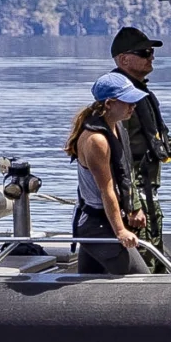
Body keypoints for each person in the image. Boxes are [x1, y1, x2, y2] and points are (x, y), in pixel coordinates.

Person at [108, 25, 171, 225]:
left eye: (152, 52)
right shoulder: (120, 100)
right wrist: (132, 204)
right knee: (143, 255)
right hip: (136, 198)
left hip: (148, 194)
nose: (151, 57)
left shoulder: (141, 95)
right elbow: (118, 156)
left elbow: (159, 143)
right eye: (144, 52)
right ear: (123, 59)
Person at [69, 76, 151, 275]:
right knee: (142, 281)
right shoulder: (96, 140)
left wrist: (132, 208)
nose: (133, 106)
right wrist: (120, 231)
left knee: (90, 280)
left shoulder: (116, 126)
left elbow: (124, 176)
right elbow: (107, 191)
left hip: (104, 220)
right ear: (109, 103)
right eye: (128, 102)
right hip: (96, 224)